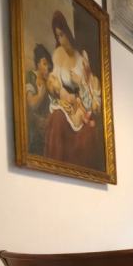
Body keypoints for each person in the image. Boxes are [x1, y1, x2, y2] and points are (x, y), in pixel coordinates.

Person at [41, 10, 105, 171]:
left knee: (87, 135)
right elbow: (54, 82)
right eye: (57, 36)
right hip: (65, 101)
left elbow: (90, 99)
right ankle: (53, 168)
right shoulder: (58, 54)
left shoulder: (81, 59)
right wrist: (61, 92)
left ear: (69, 33)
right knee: (56, 118)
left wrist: (80, 84)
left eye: (62, 35)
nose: (61, 40)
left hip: (80, 105)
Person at [25, 44, 53, 154]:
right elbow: (32, 104)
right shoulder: (31, 76)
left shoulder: (48, 82)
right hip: (35, 127)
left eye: (48, 65)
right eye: (44, 64)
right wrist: (41, 95)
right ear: (37, 64)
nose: (47, 68)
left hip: (47, 128)